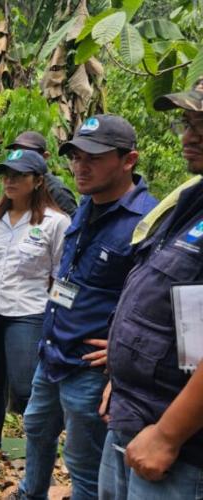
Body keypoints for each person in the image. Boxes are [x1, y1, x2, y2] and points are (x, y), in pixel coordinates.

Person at [16, 115, 158, 500]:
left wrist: (121, 350)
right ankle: (31, 492)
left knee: (82, 460)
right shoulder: (85, 205)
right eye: (76, 156)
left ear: (128, 160)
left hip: (90, 366)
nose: (81, 166)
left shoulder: (147, 221)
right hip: (54, 350)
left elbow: (155, 303)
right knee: (36, 428)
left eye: (93, 157)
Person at [98, 78, 203, 499]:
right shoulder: (189, 199)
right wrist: (123, 374)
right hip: (133, 417)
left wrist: (168, 435)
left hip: (177, 446)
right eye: (187, 121)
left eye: (202, 123)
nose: (189, 134)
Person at [0, 149, 70, 451]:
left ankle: (39, 447)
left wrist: (58, 318)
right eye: (6, 175)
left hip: (27, 312)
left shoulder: (56, 222)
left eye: (19, 176)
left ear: (38, 180)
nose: (10, 181)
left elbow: (60, 276)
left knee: (25, 384)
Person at [5, 131, 78, 216]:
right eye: (17, 152)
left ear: (45, 157)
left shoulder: (57, 192)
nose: (22, 158)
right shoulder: (12, 185)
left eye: (29, 154)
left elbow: (72, 226)